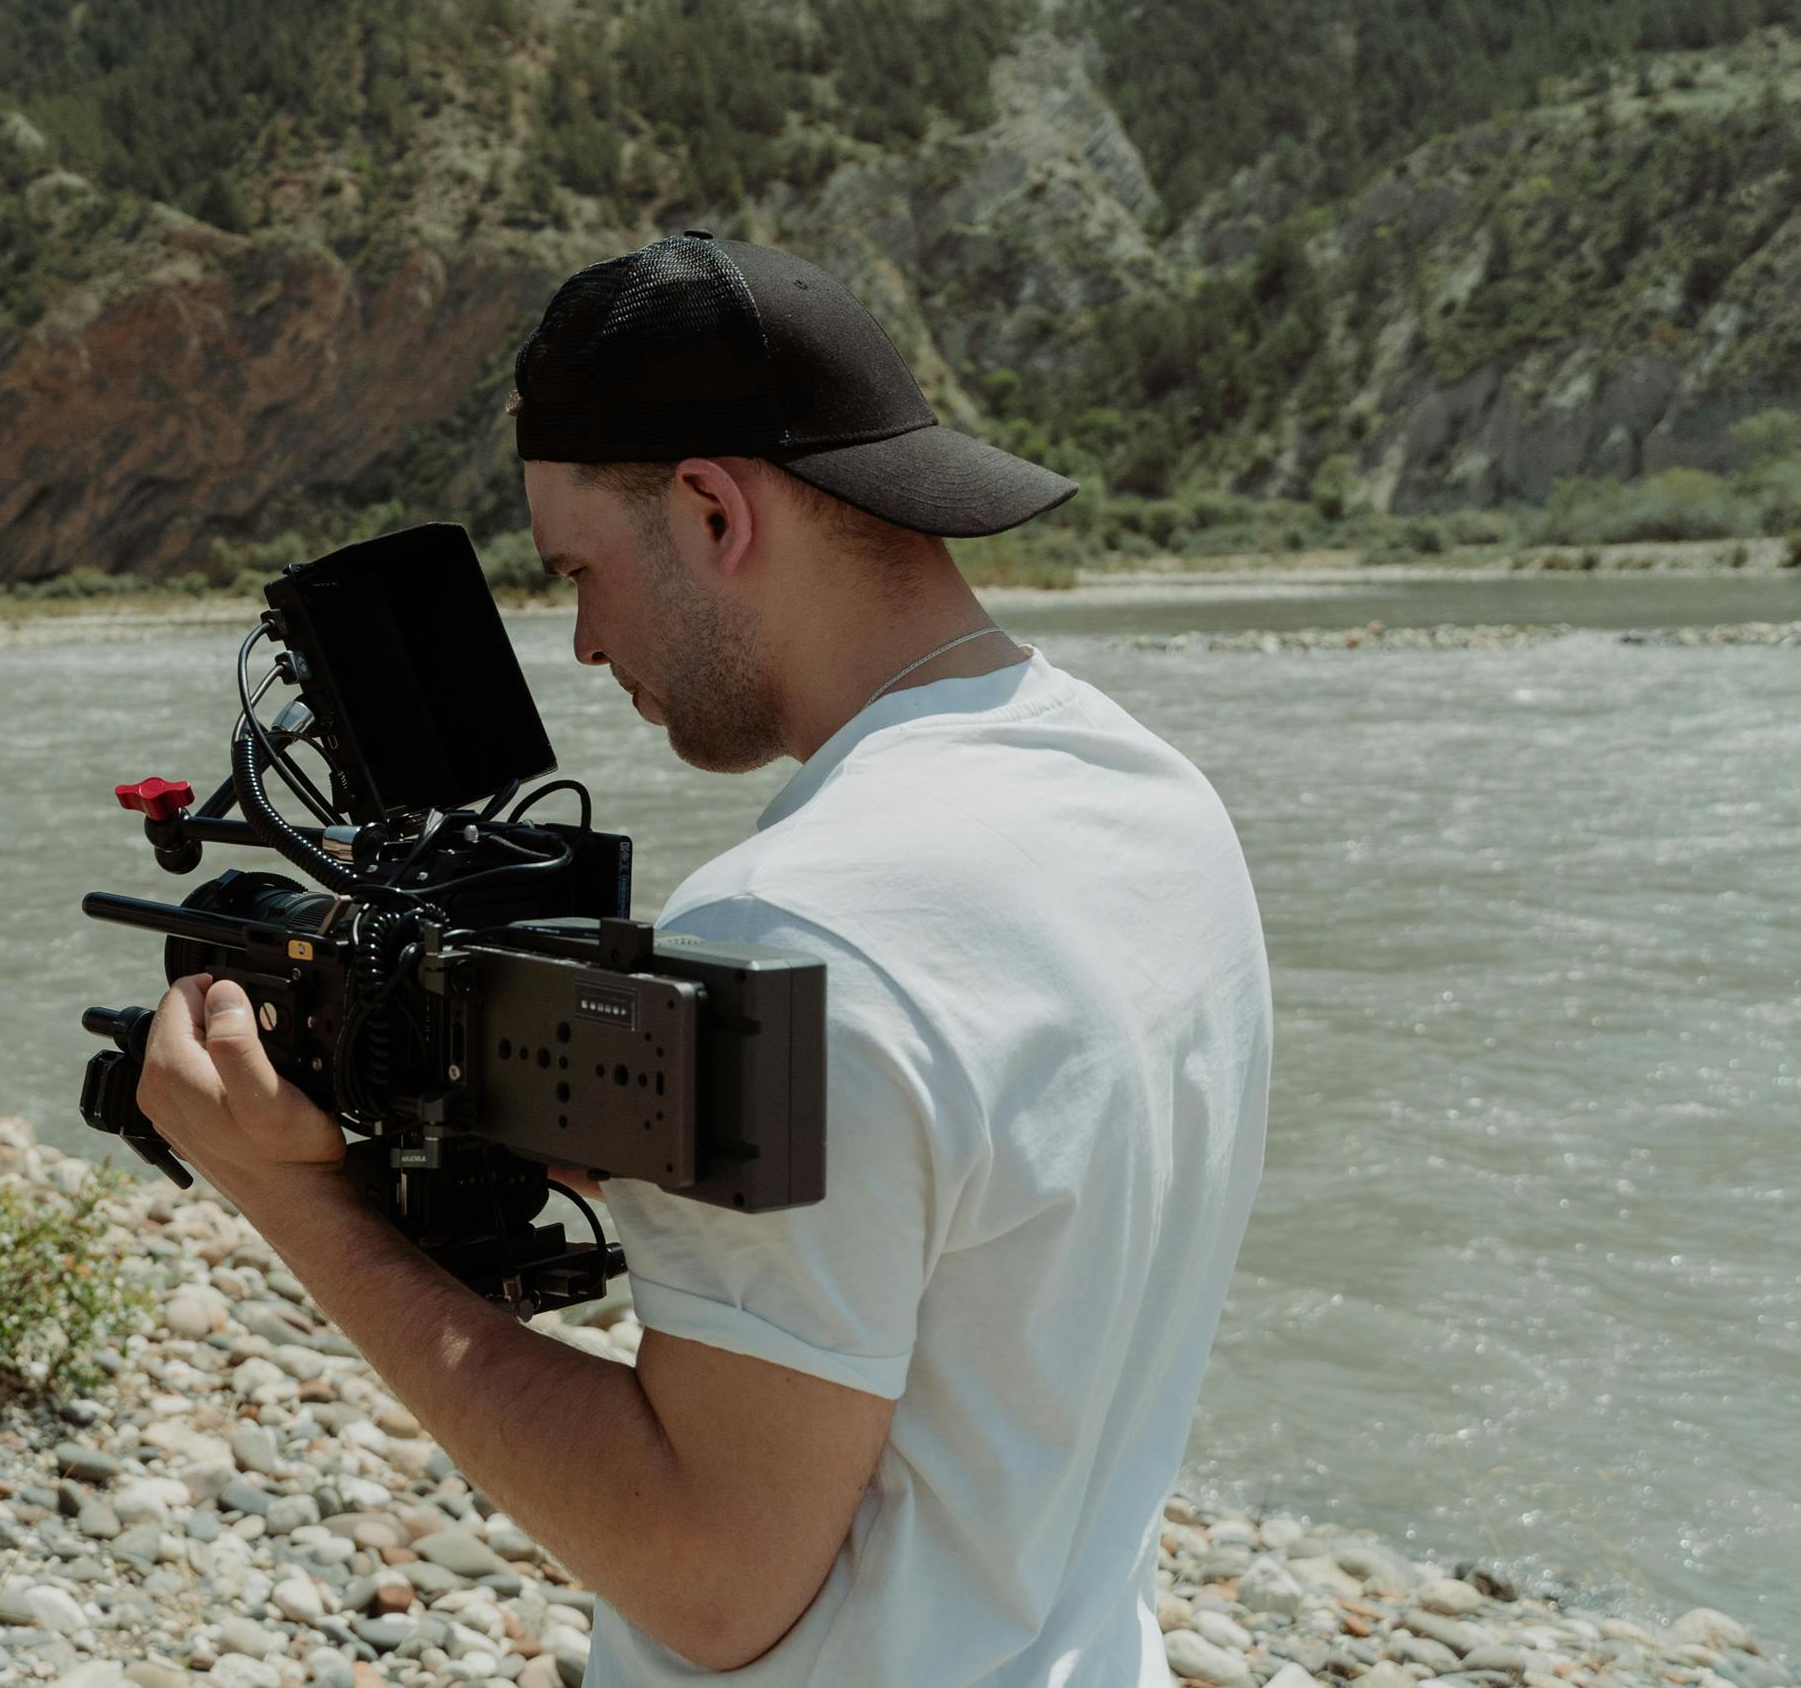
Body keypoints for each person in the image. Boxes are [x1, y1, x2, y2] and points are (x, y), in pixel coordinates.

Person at [135, 230, 1272, 1687]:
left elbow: (714, 1575)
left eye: (581, 571)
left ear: (715, 511)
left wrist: (299, 1201)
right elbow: (978, 1231)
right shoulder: (1158, 799)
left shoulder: (799, 926)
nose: (587, 644)